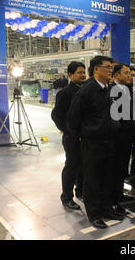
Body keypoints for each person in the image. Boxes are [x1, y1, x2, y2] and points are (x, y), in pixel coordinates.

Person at [67, 55, 122, 229]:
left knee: (106, 177)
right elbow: (73, 119)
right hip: (92, 143)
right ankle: (94, 214)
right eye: (107, 67)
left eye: (111, 67)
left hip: (108, 141)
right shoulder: (86, 91)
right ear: (96, 69)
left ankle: (106, 209)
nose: (110, 71)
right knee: (92, 180)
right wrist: (82, 135)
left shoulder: (107, 89)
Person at [51, 61, 86, 211]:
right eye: (79, 72)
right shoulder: (65, 93)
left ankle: (80, 191)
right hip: (72, 137)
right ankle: (66, 197)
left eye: (84, 72)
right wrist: (67, 130)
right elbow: (56, 115)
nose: (83, 75)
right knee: (71, 167)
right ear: (70, 75)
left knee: (82, 166)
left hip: (84, 136)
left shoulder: (86, 90)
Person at [108, 63, 134, 216]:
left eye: (130, 73)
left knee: (123, 167)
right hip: (117, 136)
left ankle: (119, 193)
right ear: (116, 75)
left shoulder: (129, 89)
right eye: (126, 73)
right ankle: (112, 199)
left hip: (127, 135)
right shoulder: (111, 91)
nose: (129, 76)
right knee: (114, 168)